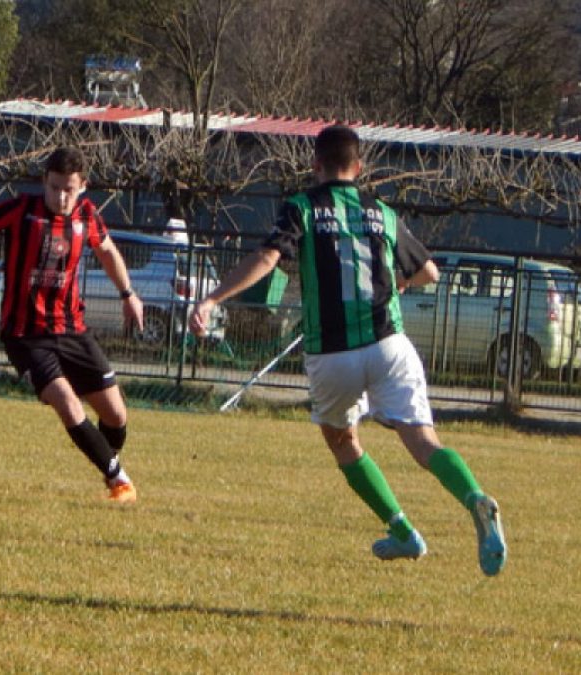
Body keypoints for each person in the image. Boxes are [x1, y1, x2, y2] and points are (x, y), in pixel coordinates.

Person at [190, 125, 507, 576]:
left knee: (342, 439)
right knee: (422, 442)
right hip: (388, 344)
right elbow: (431, 273)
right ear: (359, 169)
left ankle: (401, 530)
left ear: (315, 166)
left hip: (332, 353)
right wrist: (397, 282)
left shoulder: (301, 207)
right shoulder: (382, 212)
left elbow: (266, 260)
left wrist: (213, 298)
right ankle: (474, 497)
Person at [0, 147, 143, 504]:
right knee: (67, 402)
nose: (60, 196)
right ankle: (119, 480)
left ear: (83, 187)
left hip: (72, 330)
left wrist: (128, 294)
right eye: (54, 187)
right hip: (25, 335)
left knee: (116, 414)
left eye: (68, 189)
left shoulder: (87, 216)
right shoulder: (21, 209)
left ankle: (107, 462)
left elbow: (107, 251)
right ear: (44, 182)